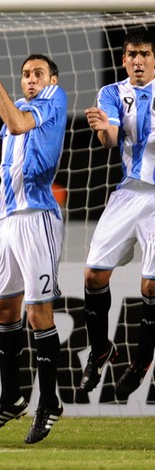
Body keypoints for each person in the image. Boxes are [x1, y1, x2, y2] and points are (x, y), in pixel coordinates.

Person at [0, 54, 67, 444]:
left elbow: (19, 124)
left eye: (37, 74)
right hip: (7, 218)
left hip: (38, 215)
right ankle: (11, 397)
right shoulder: (18, 107)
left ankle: (50, 402)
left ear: (51, 79)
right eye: (25, 75)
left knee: (38, 311)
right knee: (4, 308)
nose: (30, 80)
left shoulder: (53, 100)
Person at [80, 30, 155, 400]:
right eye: (131, 55)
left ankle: (141, 362)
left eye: (143, 54)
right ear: (123, 59)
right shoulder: (112, 93)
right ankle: (100, 349)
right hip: (128, 192)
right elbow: (109, 136)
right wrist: (101, 129)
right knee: (94, 275)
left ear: (154, 58)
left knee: (151, 286)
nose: (137, 61)